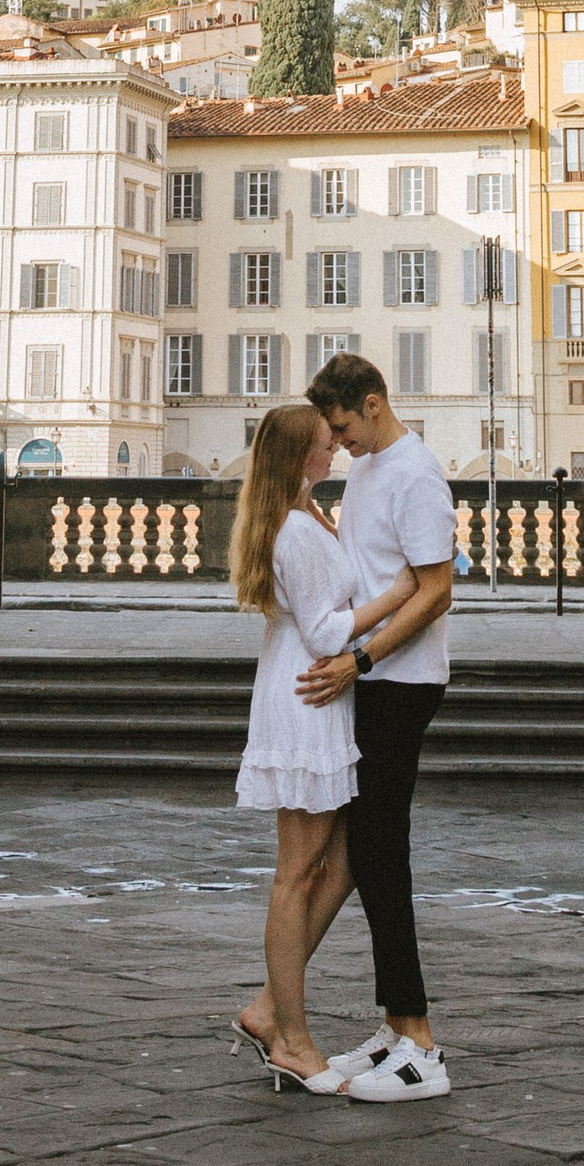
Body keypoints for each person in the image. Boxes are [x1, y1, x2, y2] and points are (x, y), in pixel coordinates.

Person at [227, 399, 411, 1094]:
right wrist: (400, 593)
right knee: (299, 870)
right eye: (320, 443)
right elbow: (326, 631)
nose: (333, 448)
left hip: (315, 697)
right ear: (296, 455)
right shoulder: (295, 531)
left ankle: (269, 1007)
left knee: (339, 864)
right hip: (306, 697)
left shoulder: (305, 516)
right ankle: (291, 1041)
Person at [294, 351, 458, 1101]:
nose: (338, 443)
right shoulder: (366, 469)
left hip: (400, 684)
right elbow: (366, 564)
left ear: (371, 403)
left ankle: (420, 1043)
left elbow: (436, 593)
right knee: (372, 854)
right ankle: (397, 1028)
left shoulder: (416, 474)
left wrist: (359, 659)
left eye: (341, 428)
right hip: (374, 682)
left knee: (383, 856)